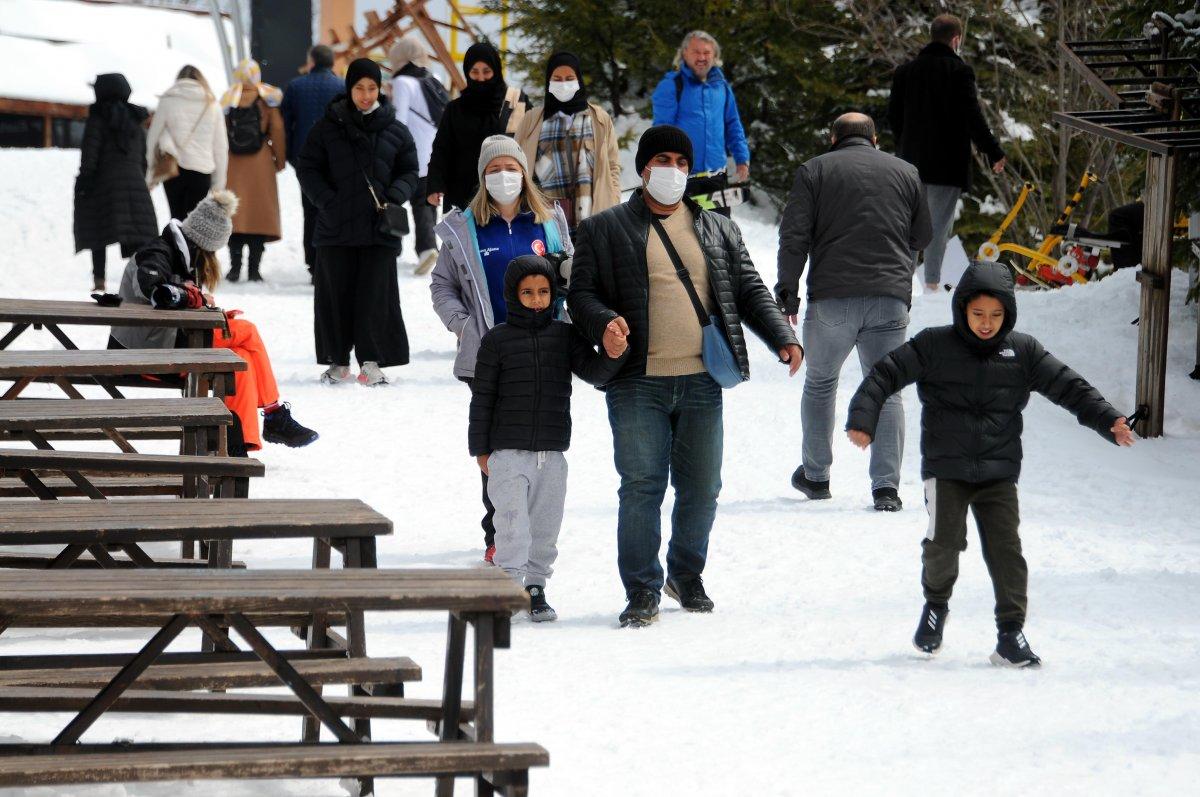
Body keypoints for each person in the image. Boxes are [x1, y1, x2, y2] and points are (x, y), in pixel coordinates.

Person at [568, 125, 803, 628]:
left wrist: (782, 335)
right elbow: (580, 295)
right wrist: (604, 323)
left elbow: (748, 287)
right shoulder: (604, 228)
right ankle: (641, 588)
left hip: (702, 379)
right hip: (637, 379)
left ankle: (686, 574)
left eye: (680, 160)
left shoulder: (717, 226)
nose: (671, 169)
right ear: (644, 169)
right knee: (642, 486)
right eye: (661, 160)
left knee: (702, 488)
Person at [845, 261, 1134, 667]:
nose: (986, 323)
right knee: (944, 545)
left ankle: (1010, 634)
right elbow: (884, 375)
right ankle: (935, 606)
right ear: (962, 309)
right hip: (946, 471)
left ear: (1008, 314)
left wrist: (1109, 419)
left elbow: (1069, 386)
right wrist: (863, 419)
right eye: (978, 313)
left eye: (996, 315)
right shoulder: (934, 345)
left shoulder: (1023, 351)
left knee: (1006, 552)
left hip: (999, 473)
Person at [775, 113, 932, 512]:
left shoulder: (815, 170)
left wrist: (787, 292)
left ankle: (816, 476)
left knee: (820, 384)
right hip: (889, 298)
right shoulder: (907, 172)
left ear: (833, 138)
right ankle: (885, 489)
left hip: (831, 297)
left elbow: (795, 235)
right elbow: (922, 236)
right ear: (875, 139)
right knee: (887, 390)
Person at [431, 135, 573, 564]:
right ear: (482, 177)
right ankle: (498, 533)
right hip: (490, 354)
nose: (503, 177)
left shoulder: (548, 220)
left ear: (524, 173)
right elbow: (442, 285)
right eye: (494, 170)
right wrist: (464, 325)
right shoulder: (464, 227)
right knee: (495, 447)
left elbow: (570, 276)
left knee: (540, 446)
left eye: (511, 168)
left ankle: (535, 533)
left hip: (544, 352)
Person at [469, 256, 628, 620]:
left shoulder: (564, 335)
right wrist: (480, 450)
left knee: (545, 525)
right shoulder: (497, 340)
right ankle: (508, 587)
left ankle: (535, 586)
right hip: (507, 453)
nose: (537, 299)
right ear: (513, 294)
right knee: (511, 524)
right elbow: (483, 399)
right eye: (528, 292)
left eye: (543, 291)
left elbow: (593, 371)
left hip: (552, 454)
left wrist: (614, 353)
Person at [109, 191, 318, 451]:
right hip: (145, 352)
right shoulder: (157, 252)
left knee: (239, 358)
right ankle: (274, 416)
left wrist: (205, 307)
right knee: (247, 331)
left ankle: (236, 443)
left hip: (167, 343)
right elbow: (157, 290)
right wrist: (192, 296)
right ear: (202, 243)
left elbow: (179, 300)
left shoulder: (182, 257)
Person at [297, 58, 419, 387]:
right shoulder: (326, 127)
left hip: (379, 228)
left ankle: (372, 361)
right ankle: (337, 362)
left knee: (376, 297)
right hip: (335, 227)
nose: (366, 95)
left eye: (372, 88)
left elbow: (410, 170)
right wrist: (327, 201)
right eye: (359, 88)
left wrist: (394, 195)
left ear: (380, 90)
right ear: (349, 89)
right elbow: (307, 168)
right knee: (334, 298)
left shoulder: (395, 129)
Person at [889, 13, 1007, 292]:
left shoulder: (906, 72)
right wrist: (993, 152)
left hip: (909, 163)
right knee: (938, 226)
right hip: (946, 165)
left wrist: (904, 146)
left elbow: (893, 116)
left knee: (908, 224)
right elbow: (972, 117)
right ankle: (932, 286)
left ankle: (900, 283)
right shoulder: (959, 71)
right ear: (956, 39)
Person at [514, 51, 622, 233]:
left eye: (569, 78)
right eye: (557, 79)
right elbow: (517, 166)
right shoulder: (531, 121)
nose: (563, 84)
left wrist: (613, 199)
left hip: (592, 220)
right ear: (548, 81)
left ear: (578, 80)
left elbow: (612, 167)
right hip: (544, 224)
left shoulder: (599, 119)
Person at [73, 73, 158, 292]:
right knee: (138, 235)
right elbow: (142, 157)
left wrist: (85, 181)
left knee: (98, 230)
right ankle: (139, 278)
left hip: (104, 183)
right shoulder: (136, 118)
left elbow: (90, 154)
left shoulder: (98, 117)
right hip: (135, 182)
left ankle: (99, 279)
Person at [651, 31, 750, 217]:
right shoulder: (671, 85)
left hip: (717, 180)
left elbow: (732, 124)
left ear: (715, 56)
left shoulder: (721, 86)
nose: (702, 57)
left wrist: (742, 159)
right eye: (696, 52)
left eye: (707, 53)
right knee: (682, 242)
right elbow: (661, 134)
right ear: (684, 53)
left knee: (718, 240)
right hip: (682, 179)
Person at [426, 42, 530, 213]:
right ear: (467, 72)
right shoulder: (455, 109)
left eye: (487, 72)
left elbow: (530, 146)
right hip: (463, 197)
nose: (481, 78)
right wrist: (435, 184)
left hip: (505, 197)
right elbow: (442, 149)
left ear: (496, 71)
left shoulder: (515, 103)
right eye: (475, 72)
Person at [220, 58, 286, 283]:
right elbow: (276, 129)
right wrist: (279, 160)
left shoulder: (229, 99)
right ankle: (254, 269)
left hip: (234, 162)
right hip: (261, 162)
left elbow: (222, 130)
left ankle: (234, 267)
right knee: (259, 215)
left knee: (236, 215)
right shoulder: (267, 99)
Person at [281, 45, 344, 277]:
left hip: (304, 159)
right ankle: (329, 259)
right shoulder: (342, 86)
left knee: (310, 210)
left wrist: (289, 154)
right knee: (332, 208)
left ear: (312, 61)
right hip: (336, 159)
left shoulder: (295, 86)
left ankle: (312, 261)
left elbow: (286, 126)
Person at [388, 36, 443, 275]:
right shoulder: (434, 78)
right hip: (435, 148)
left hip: (413, 149)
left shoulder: (402, 82)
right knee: (427, 199)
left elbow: (398, 119)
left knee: (404, 197)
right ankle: (428, 246)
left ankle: (421, 248)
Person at [146, 65, 227, 221]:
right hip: (202, 171)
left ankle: (176, 246)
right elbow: (220, 147)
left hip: (173, 170)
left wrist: (150, 173)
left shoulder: (167, 101)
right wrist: (219, 184)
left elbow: (152, 139)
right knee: (195, 224)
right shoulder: (212, 104)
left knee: (176, 220)